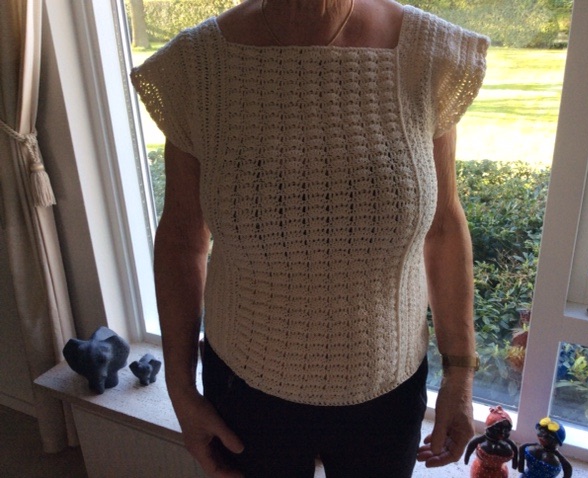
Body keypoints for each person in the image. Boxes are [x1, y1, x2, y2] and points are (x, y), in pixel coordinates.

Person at [131, 1, 488, 477]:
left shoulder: (427, 54)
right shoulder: (198, 67)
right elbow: (182, 238)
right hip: (244, 395)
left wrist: (460, 373)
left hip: (388, 396)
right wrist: (180, 388)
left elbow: (443, 226)